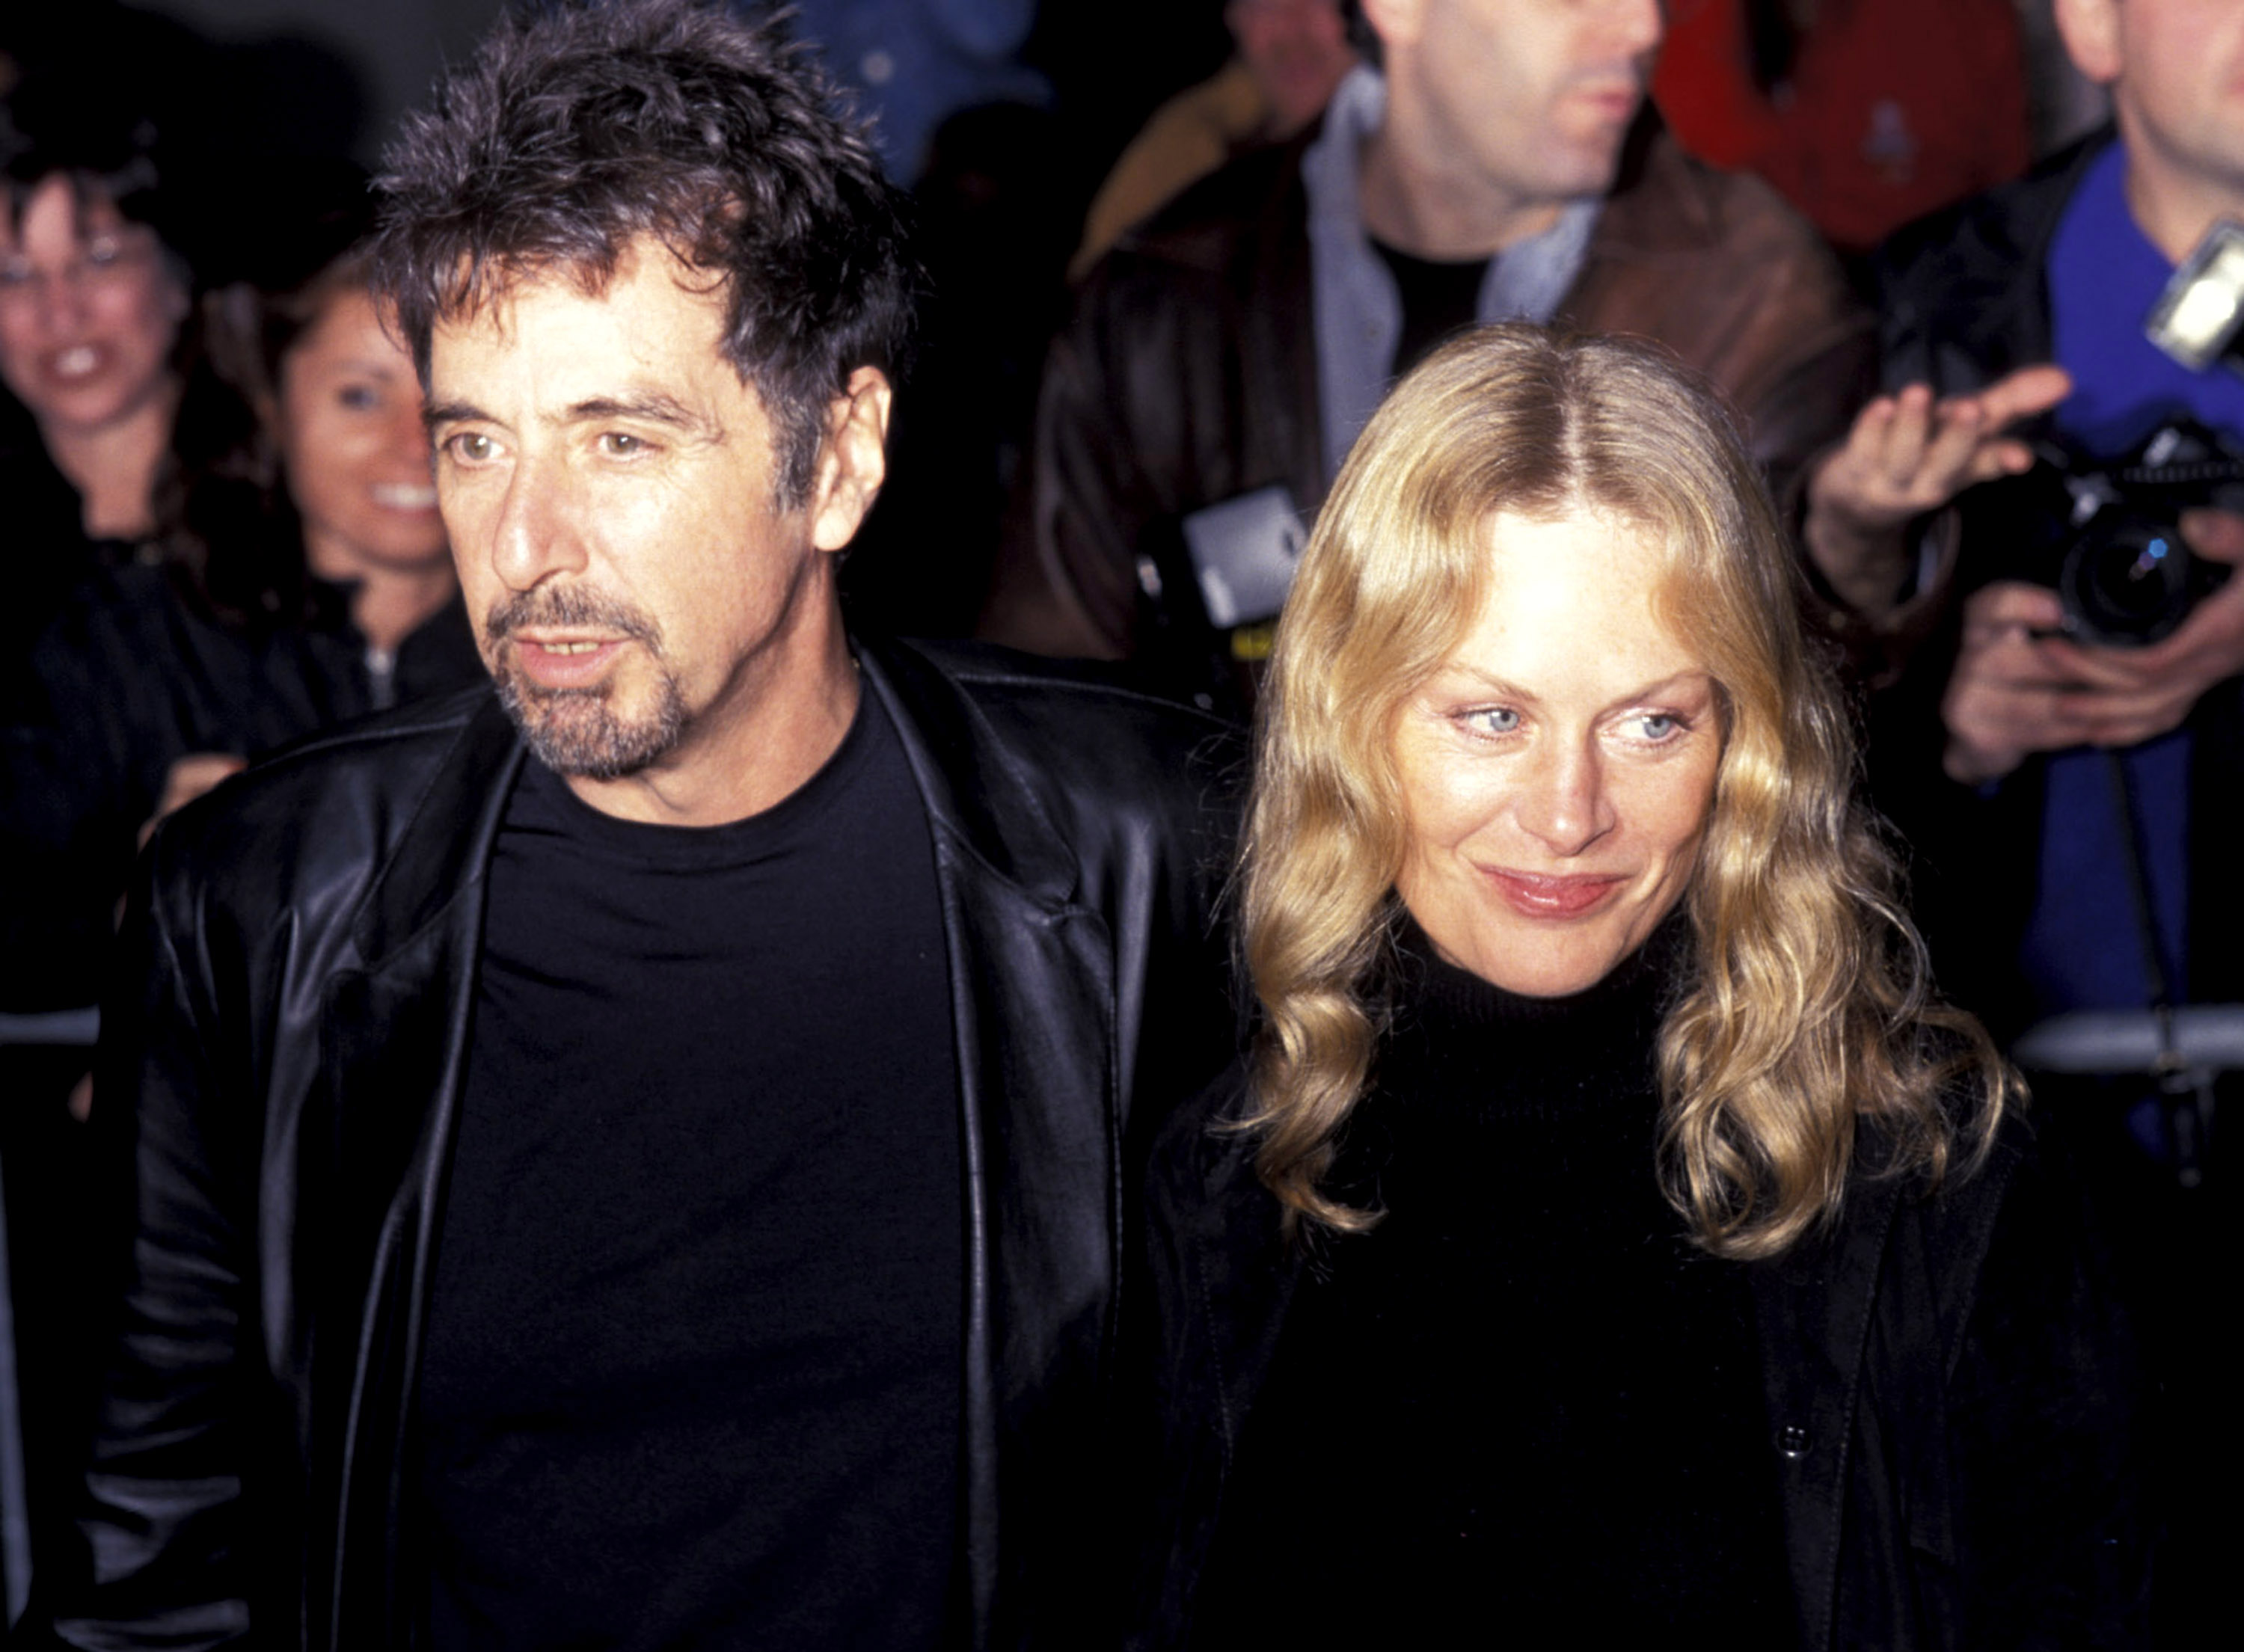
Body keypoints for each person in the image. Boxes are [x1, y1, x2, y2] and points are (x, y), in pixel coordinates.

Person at [16, 3, 1237, 1648]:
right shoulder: (259, 910)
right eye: (477, 442)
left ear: (841, 460)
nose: (525, 542)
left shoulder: (1153, 859)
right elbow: (150, 1585)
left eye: (620, 438)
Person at [1129, 328, 2145, 1648]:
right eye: (1492, 715)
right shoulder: (1216, 1183)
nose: (1570, 815)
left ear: (1748, 741)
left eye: (1652, 720)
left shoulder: (1939, 1188)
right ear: (1353, 718)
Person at [983, 0, 1872, 707]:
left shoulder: (1759, 288)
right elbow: (1046, 709)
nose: (1642, 27)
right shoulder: (1163, 294)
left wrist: (1854, 554)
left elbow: (1809, 719)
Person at [1, 221, 479, 1022]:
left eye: (453, 399)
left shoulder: (558, 658)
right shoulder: (136, 638)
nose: (415, 444)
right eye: (361, 395)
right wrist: (149, 896)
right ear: (271, 398)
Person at [1069, 0, 1358, 280]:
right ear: (1233, 17)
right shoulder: (1187, 145)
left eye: (1318, 0)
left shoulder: (1393, 167)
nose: (1289, 27)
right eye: (1263, 3)